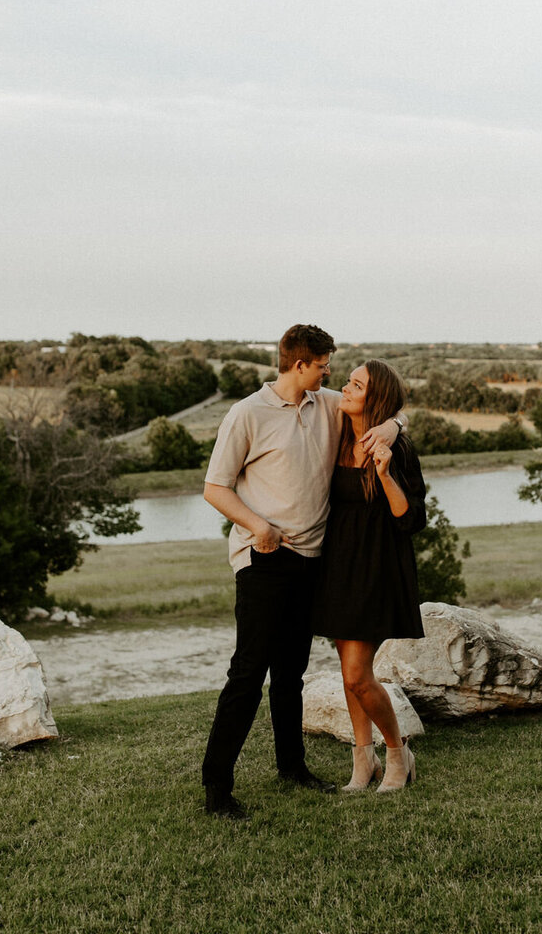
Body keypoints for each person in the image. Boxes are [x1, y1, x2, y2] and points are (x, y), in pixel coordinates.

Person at [201, 325, 405, 819]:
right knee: (248, 674)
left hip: (313, 562)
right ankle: (216, 790)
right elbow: (215, 487)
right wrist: (259, 527)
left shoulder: (327, 403)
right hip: (264, 558)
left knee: (290, 674)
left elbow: (385, 406)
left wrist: (393, 427)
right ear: (300, 365)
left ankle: (292, 767)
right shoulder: (246, 414)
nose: (330, 372)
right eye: (323, 364)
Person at [312, 359, 426, 793]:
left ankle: (398, 753)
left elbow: (411, 519)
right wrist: (396, 419)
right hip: (337, 567)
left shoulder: (397, 448)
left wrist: (384, 473)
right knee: (347, 675)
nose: (345, 387)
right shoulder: (339, 428)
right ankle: (364, 762)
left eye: (355, 385)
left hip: (377, 569)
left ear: (373, 398)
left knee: (359, 674)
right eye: (348, 381)